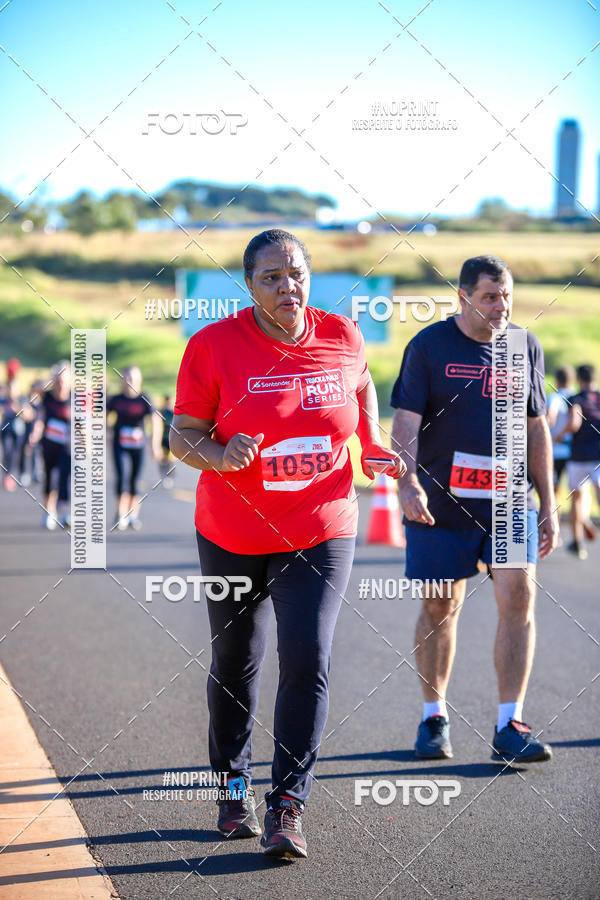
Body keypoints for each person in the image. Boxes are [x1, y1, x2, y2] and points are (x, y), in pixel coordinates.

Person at [170, 228, 405, 859]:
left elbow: (362, 389)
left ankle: (287, 807)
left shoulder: (341, 335)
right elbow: (181, 435)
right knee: (236, 662)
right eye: (271, 277)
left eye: (295, 273)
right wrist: (221, 454)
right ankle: (231, 786)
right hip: (234, 530)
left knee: (308, 658)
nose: (287, 286)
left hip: (321, 526)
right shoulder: (213, 346)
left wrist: (373, 444)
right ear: (250, 286)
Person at [391, 255, 558, 765]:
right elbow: (405, 423)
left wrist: (549, 505)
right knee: (441, 606)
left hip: (510, 501)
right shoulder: (429, 346)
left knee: (518, 596)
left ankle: (510, 723)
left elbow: (536, 428)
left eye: (506, 295)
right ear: (463, 297)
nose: (501, 306)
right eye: (490, 296)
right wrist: (407, 486)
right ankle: (433, 717)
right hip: (442, 502)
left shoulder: (523, 346)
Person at [107, 366, 162, 530]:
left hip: (137, 446)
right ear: (122, 380)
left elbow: (155, 421)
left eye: (133, 378)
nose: (130, 381)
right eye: (127, 378)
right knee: (122, 476)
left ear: (139, 380)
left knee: (134, 480)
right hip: (120, 444)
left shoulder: (144, 398)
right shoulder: (116, 399)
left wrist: (155, 446)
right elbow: (103, 416)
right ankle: (120, 513)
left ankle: (133, 514)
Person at [561, 364, 600, 560]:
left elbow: (574, 423)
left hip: (578, 456)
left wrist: (559, 435)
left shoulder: (575, 399)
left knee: (576, 498)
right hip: (598, 455)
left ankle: (577, 543)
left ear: (579, 379)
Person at [30, 361, 72, 530]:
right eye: (58, 380)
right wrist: (35, 433)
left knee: (64, 479)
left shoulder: (75, 398)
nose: (61, 384)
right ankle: (49, 511)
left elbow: (84, 422)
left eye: (64, 379)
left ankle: (65, 513)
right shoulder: (47, 397)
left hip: (67, 446)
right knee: (49, 478)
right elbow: (35, 389)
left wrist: (86, 442)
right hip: (49, 444)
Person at [546, 366, 575, 492]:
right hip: (574, 451)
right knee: (577, 492)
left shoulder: (554, 397)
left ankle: (556, 512)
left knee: (554, 490)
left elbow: (550, 416)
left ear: (557, 381)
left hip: (556, 449)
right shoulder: (576, 397)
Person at [158, 394, 175, 489]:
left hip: (170, 439)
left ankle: (170, 477)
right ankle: (163, 476)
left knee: (170, 460)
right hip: (163, 438)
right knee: (163, 459)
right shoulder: (162, 411)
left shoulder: (173, 412)